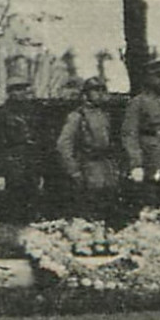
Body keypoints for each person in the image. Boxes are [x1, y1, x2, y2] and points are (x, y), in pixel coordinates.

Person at [55, 76, 118, 220]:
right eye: (96, 90)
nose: (100, 93)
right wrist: (74, 170)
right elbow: (63, 145)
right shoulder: (77, 116)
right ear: (86, 94)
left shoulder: (105, 114)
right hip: (88, 166)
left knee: (109, 207)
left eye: (103, 89)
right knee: (90, 210)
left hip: (107, 167)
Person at [122, 59, 160, 208]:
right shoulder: (137, 102)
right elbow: (130, 134)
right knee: (151, 203)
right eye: (157, 75)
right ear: (147, 78)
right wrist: (136, 164)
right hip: (149, 161)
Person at [0, 77, 45, 222]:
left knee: (33, 194)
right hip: (12, 161)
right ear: (10, 92)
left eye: (23, 89)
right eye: (18, 89)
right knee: (15, 196)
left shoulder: (31, 112)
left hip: (30, 160)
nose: (22, 93)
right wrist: (0, 171)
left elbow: (37, 139)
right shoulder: (2, 114)